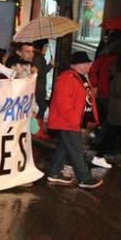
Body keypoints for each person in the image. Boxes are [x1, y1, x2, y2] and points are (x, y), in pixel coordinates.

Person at [44, 51, 102, 189]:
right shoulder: (68, 78)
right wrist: (73, 120)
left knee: (65, 147)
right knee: (76, 149)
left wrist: (91, 118)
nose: (89, 65)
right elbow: (63, 103)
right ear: (77, 65)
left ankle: (54, 173)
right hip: (68, 122)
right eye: (86, 63)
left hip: (73, 121)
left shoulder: (80, 77)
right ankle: (84, 178)